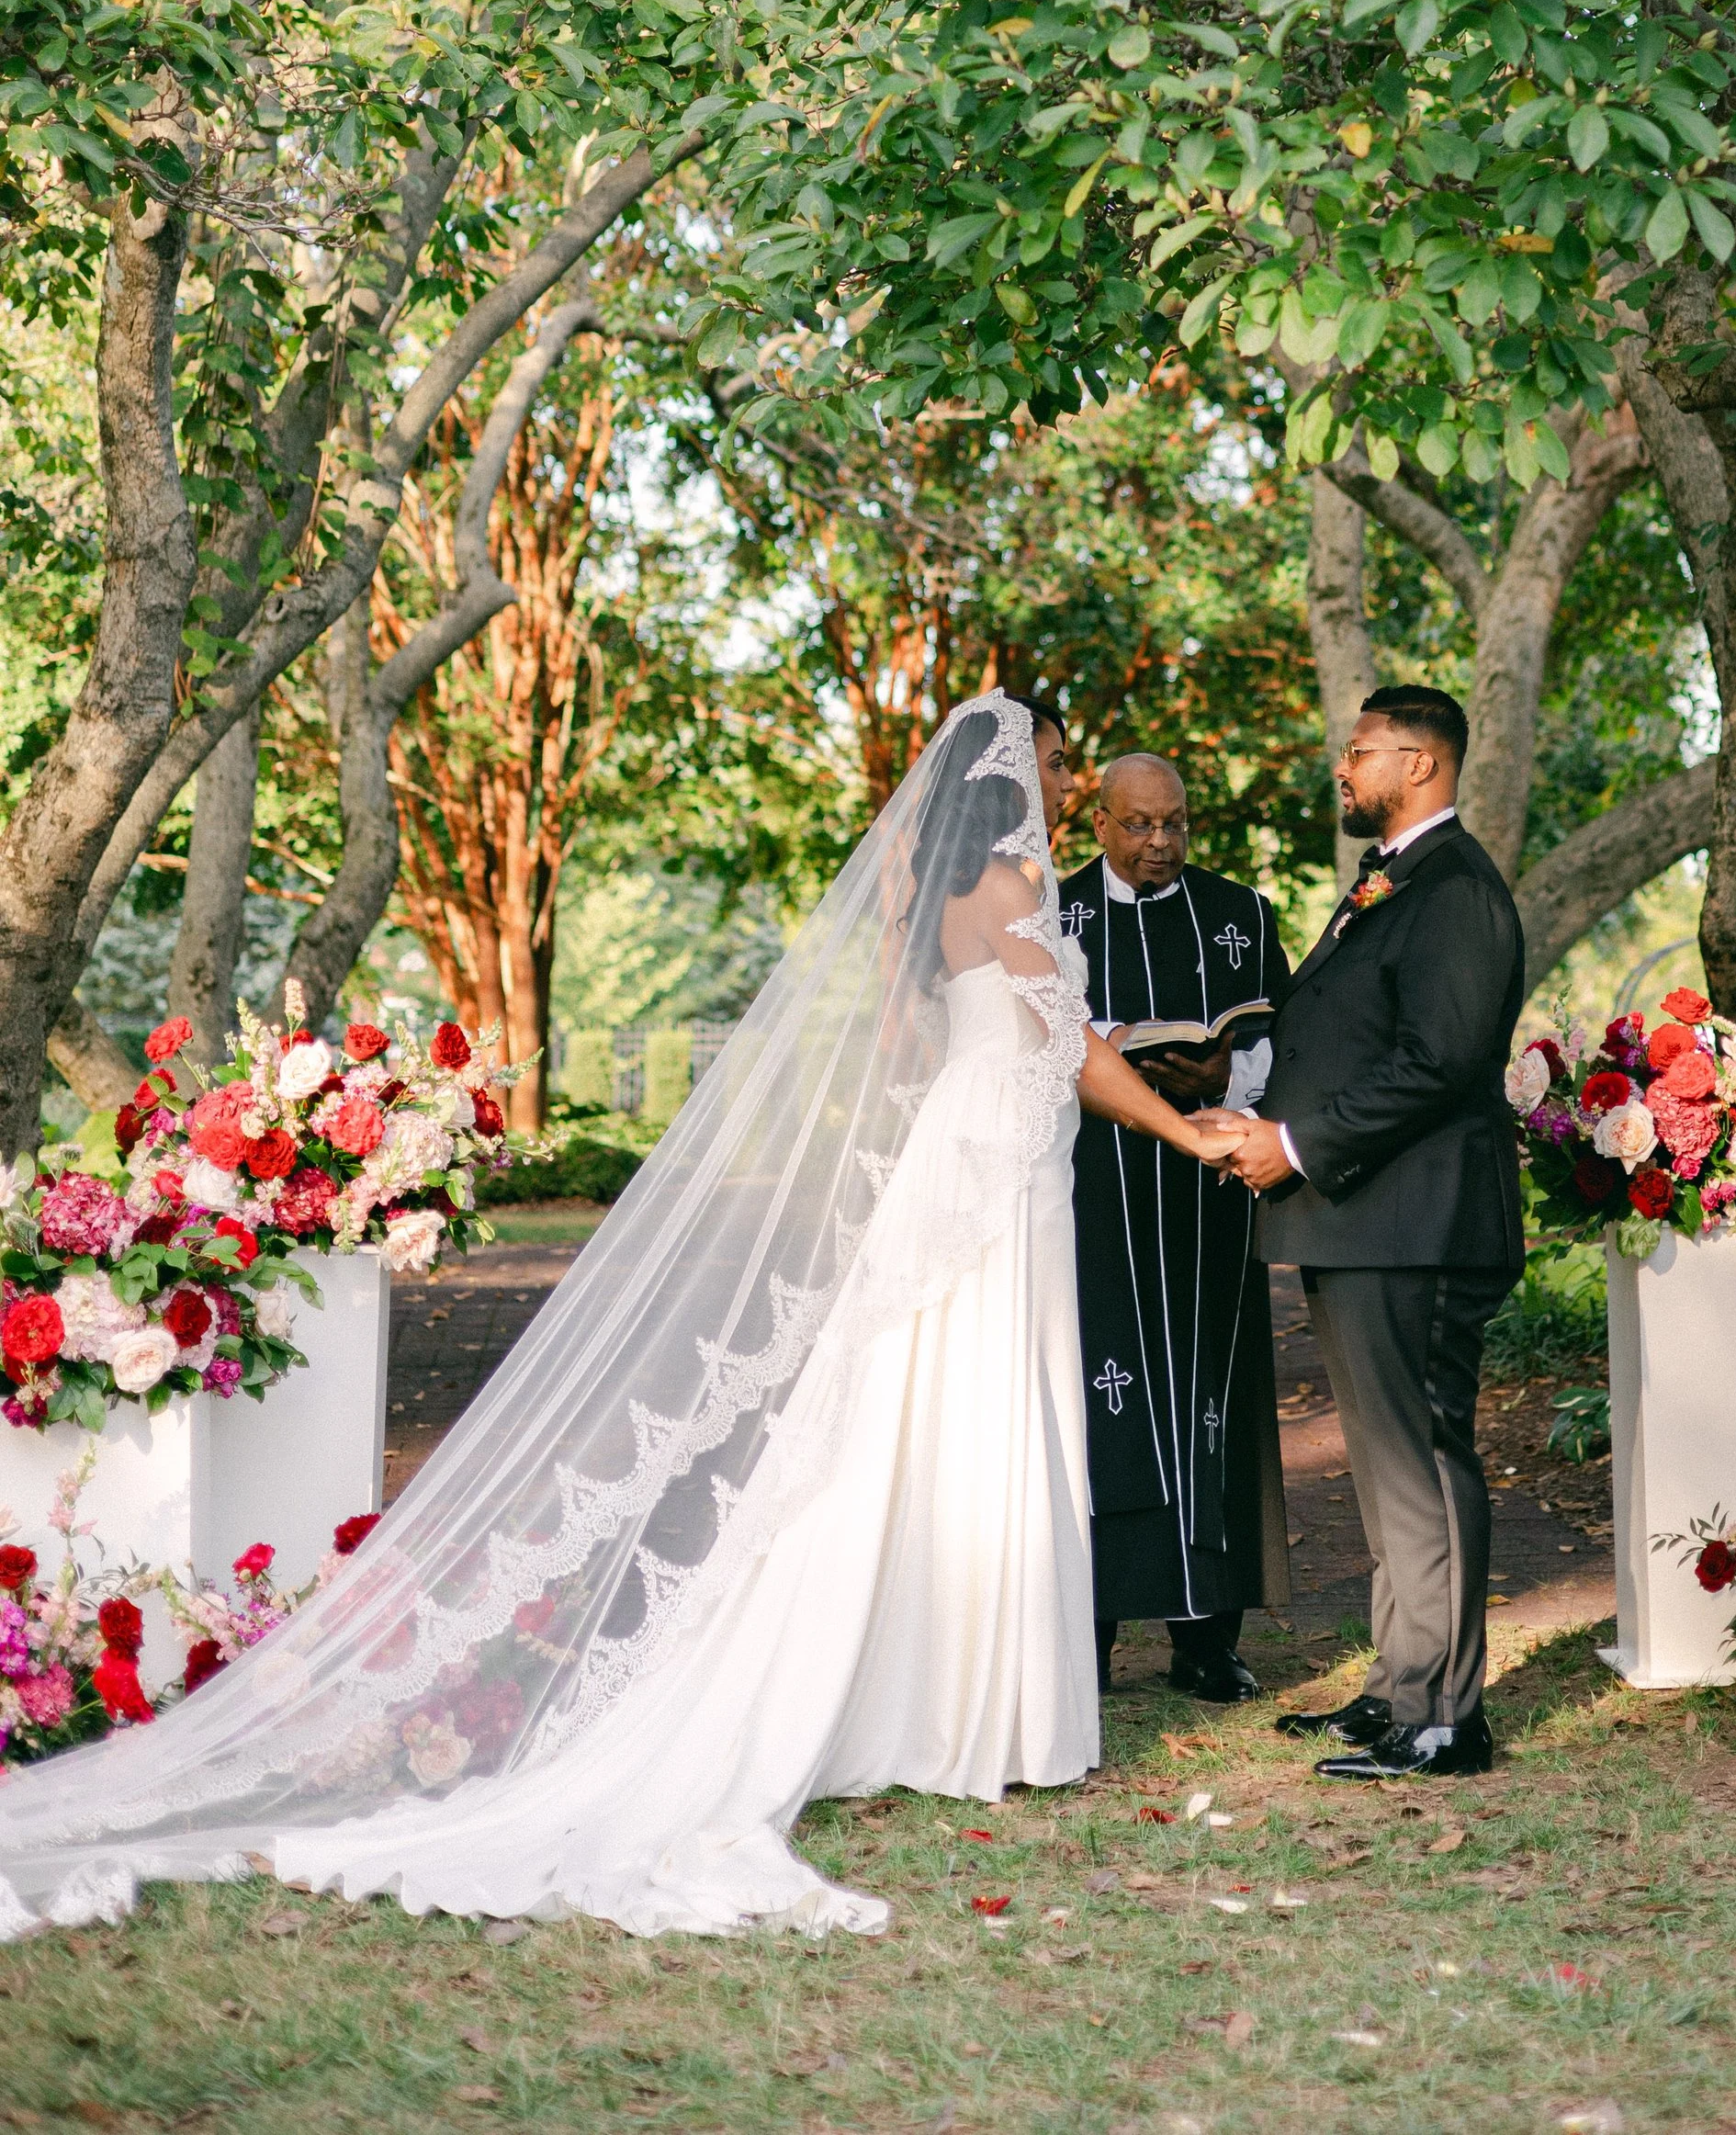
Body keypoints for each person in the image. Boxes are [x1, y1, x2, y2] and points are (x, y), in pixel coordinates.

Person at [0, 695, 1240, 1941]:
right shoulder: (1015, 880)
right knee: (975, 1406)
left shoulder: (940, 887)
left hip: (982, 1155)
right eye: (1057, 762)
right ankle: (979, 1705)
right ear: (1009, 774)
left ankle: (952, 1696)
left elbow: (972, 1040)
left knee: (935, 1411)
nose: (1067, 782)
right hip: (995, 1173)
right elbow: (1071, 1045)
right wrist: (1189, 1130)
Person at [1220, 684, 1524, 1780]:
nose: (1342, 768)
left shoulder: (1457, 889)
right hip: (1363, 1220)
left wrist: (1295, 1144)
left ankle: (1445, 1717)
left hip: (1418, 1223)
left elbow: (1439, 1063)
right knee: (1388, 1469)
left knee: (1425, 1462)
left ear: (1421, 763)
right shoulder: (1389, 880)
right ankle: (1399, 1687)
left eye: (1359, 751)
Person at [1062, 750, 1291, 1702]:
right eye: (1140, 824)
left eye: (1176, 823)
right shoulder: (1054, 914)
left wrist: (1228, 1075)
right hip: (1093, 1198)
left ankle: (1207, 1641)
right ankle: (1087, 1638)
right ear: (1101, 824)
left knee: (1210, 1399)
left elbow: (1285, 1037)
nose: (1160, 842)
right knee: (1100, 1404)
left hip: (1207, 1198)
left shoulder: (1242, 915)